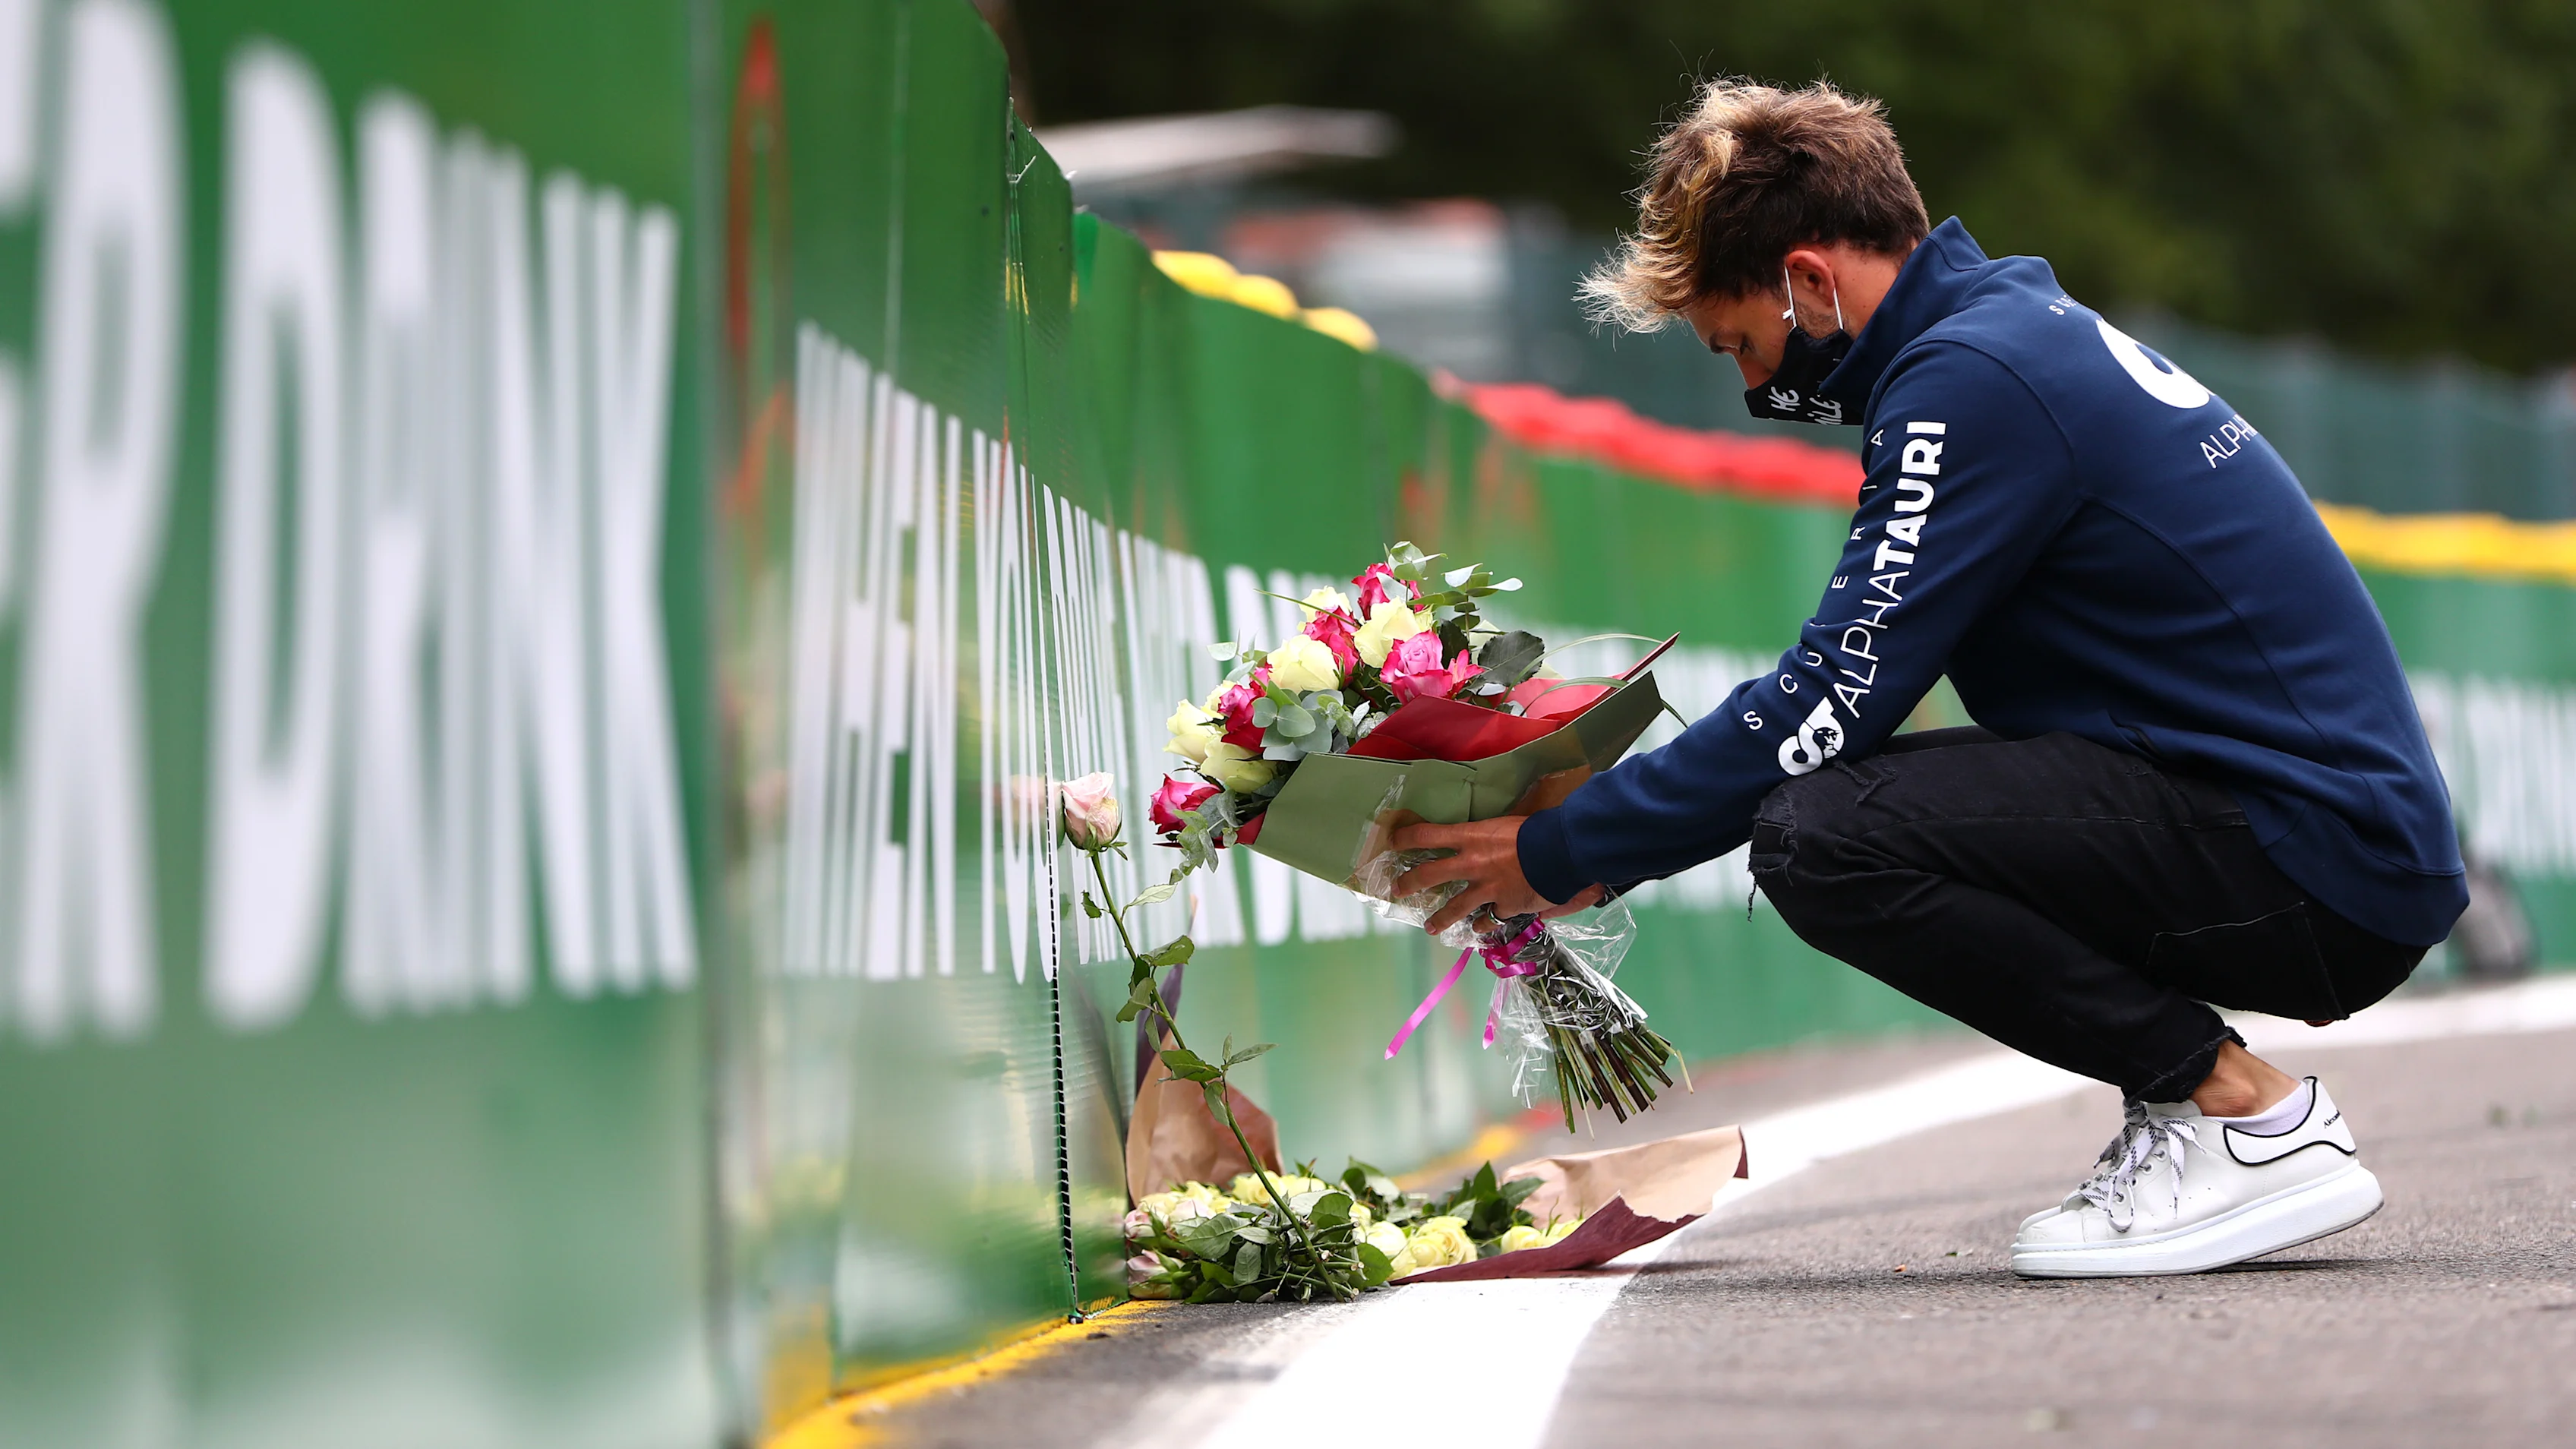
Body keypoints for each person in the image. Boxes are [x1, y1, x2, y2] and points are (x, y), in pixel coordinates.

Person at [1391, 78, 2464, 1277]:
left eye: (1741, 343)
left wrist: (1566, 849)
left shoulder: (1970, 381)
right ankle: (2194, 1113)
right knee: (1861, 815)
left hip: (2316, 857)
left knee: (1824, 837)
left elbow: (1833, 695)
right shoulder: (2005, 336)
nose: (1754, 390)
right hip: (2307, 829)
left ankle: (2241, 1114)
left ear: (1808, 280)